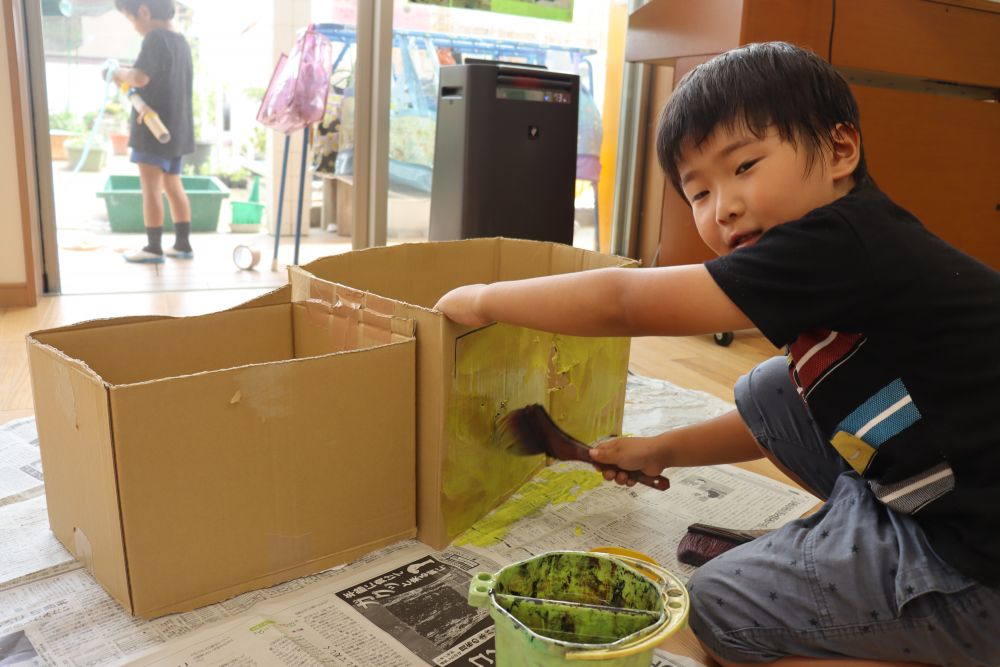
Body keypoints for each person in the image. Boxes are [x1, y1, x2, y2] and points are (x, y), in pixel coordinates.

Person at [434, 42, 1000, 667]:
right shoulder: (854, 250)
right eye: (698, 193)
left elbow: (623, 302)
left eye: (746, 166)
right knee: (774, 388)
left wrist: (487, 298)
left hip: (976, 562)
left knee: (723, 609)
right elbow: (796, 410)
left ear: (841, 150)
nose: (723, 206)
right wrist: (662, 449)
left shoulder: (839, 243)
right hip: (952, 478)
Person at [110, 0, 195, 263]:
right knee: (173, 184)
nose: (134, 27)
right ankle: (182, 244)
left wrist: (117, 71)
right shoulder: (180, 41)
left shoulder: (154, 38)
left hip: (152, 127)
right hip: (177, 128)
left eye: (131, 19)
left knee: (151, 188)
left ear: (144, 11)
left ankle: (153, 247)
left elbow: (140, 77)